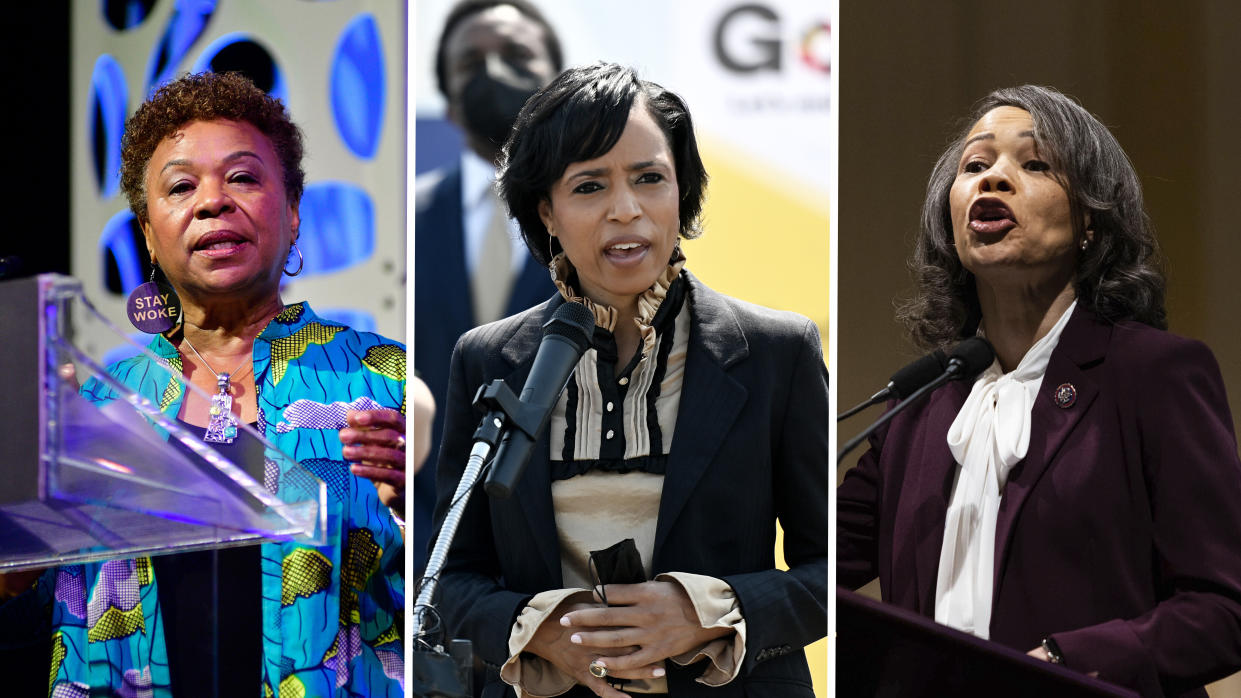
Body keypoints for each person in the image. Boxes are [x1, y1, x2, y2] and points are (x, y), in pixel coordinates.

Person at [429, 62, 829, 698]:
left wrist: (707, 611)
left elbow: (829, 574)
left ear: (682, 194)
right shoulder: (487, 357)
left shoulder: (777, 351)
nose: (626, 210)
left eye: (650, 179)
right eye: (589, 186)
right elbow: (446, 577)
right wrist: (537, 627)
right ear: (547, 212)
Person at [7, 72, 407, 697]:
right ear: (148, 234)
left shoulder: (386, 380)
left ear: (294, 212)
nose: (213, 202)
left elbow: (455, 588)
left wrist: (421, 499)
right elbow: (27, 608)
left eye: (243, 177)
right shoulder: (96, 401)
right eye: (181, 186)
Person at [837, 85, 1241, 697]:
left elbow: (1223, 608)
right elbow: (823, 567)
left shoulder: (1153, 375)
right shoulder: (921, 406)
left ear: (1089, 220)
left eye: (1034, 164)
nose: (992, 179)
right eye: (975, 166)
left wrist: (1064, 661)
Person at [414, 0, 564, 576]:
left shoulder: (612, 229)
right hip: (429, 565)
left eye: (517, 55)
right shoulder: (408, 223)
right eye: (471, 63)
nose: (494, 73)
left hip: (567, 575)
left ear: (558, 84)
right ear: (449, 101)